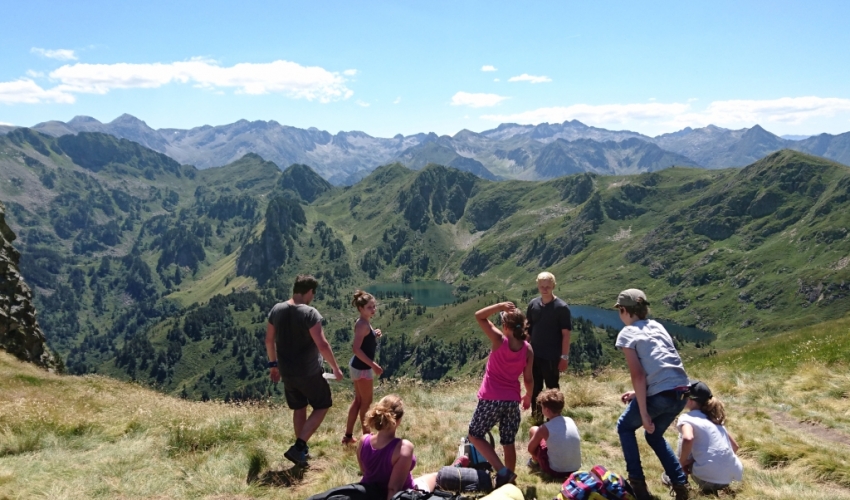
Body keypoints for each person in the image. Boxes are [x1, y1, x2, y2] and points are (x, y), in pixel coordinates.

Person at [614, 289, 690, 500]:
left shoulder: (627, 333)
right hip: (682, 391)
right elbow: (661, 363)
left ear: (624, 310)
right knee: (654, 436)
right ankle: (681, 484)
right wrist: (639, 393)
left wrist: (645, 412)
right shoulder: (657, 326)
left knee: (625, 427)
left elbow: (638, 374)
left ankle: (638, 486)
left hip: (661, 394)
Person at [265, 274, 344, 467]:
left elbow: (269, 340)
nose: (313, 297)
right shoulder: (310, 313)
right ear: (309, 292)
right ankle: (299, 447)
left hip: (286, 371)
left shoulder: (277, 309)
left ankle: (302, 451)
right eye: (313, 293)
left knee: (299, 408)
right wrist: (335, 368)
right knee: (323, 404)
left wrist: (273, 365)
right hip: (309, 371)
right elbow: (323, 345)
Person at [468, 301, 534, 488]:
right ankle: (508, 483)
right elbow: (528, 378)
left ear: (505, 327)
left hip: (490, 398)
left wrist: (500, 307)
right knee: (508, 441)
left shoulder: (499, 340)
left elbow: (479, 315)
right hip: (512, 400)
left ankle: (502, 470)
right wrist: (528, 395)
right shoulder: (527, 349)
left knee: (474, 434)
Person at [663, 381, 743, 493]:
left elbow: (688, 438)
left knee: (684, 437)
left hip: (706, 479)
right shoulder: (715, 419)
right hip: (728, 479)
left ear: (690, 400)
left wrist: (682, 462)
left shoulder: (687, 418)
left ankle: (680, 478)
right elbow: (735, 446)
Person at [358, 395, 438, 500]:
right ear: (398, 421)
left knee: (425, 479)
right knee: (436, 476)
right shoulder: (403, 448)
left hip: (369, 494)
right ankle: (456, 467)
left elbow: (364, 471)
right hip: (405, 495)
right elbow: (393, 489)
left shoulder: (364, 440)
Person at [526, 272, 572, 421]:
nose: (544, 289)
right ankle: (537, 418)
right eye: (541, 286)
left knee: (552, 390)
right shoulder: (533, 304)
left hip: (551, 357)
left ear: (553, 285)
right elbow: (529, 330)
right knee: (535, 388)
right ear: (538, 286)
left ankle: (555, 419)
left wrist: (564, 357)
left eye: (547, 286)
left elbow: (566, 334)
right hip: (534, 356)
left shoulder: (561, 307)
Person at [343, 290, 384, 445]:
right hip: (362, 368)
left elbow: (366, 338)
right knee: (366, 402)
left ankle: (348, 436)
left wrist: (375, 333)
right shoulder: (362, 325)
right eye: (369, 307)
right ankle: (366, 436)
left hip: (357, 366)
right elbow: (356, 348)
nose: (373, 310)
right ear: (360, 308)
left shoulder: (364, 322)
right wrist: (373, 365)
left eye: (373, 306)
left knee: (359, 401)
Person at [527, 389, 582, 479]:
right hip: (575, 469)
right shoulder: (570, 420)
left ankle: (534, 462)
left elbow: (530, 449)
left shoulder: (544, 428)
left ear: (547, 410)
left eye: (542, 407)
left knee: (534, 429)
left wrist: (537, 457)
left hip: (555, 471)